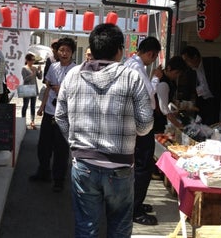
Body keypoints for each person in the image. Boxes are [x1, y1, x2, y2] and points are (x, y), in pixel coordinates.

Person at [55, 24, 154, 238]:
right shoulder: (131, 77)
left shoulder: (72, 75)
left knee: (86, 226)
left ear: (92, 47)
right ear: (119, 50)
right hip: (120, 165)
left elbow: (60, 116)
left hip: (83, 164)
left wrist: (74, 142)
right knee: (119, 226)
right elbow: (145, 124)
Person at [30, 37, 76, 193]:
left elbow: (77, 93)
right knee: (43, 145)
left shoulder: (76, 71)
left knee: (61, 149)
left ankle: (59, 179)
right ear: (57, 51)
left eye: (68, 51)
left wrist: (61, 90)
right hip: (49, 112)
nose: (64, 53)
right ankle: (43, 171)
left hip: (65, 115)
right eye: (62, 50)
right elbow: (48, 89)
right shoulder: (53, 67)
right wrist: (41, 107)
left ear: (72, 53)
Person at [124, 36, 162, 226]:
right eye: (153, 57)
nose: (152, 60)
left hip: (133, 123)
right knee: (142, 167)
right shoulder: (137, 68)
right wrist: (156, 78)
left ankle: (135, 203)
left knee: (139, 166)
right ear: (150, 54)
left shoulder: (131, 63)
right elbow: (148, 94)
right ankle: (134, 209)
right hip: (139, 125)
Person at [180, 46, 221, 125]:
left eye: (186, 60)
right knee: (201, 123)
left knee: (214, 123)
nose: (186, 63)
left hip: (215, 99)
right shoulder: (190, 71)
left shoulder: (212, 63)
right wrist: (184, 104)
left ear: (195, 57)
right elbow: (187, 88)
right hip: (202, 102)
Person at [154, 56, 187, 133]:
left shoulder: (170, 81)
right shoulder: (163, 83)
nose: (177, 76)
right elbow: (164, 109)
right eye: (176, 73)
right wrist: (180, 126)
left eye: (179, 74)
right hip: (156, 120)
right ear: (168, 68)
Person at [21, 53, 42, 129]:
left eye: (34, 60)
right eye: (31, 60)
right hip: (26, 89)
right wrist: (32, 75)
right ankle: (23, 121)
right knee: (25, 106)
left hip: (34, 89)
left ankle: (32, 122)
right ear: (27, 60)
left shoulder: (34, 68)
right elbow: (25, 79)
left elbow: (40, 78)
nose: (33, 61)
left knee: (33, 106)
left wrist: (40, 71)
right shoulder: (24, 68)